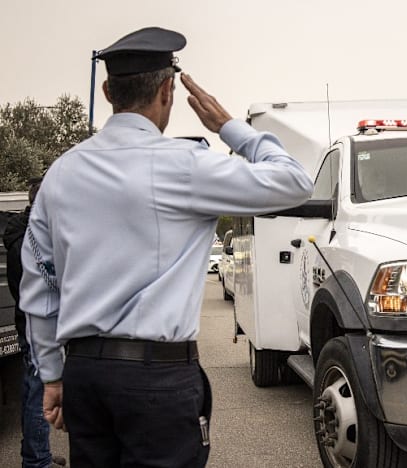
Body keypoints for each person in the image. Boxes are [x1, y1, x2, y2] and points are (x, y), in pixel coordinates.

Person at [19, 27, 314, 467]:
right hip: (156, 377)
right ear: (167, 91)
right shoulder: (186, 166)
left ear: (107, 91)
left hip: (85, 376)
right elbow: (295, 182)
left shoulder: (62, 173)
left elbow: (40, 285)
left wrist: (53, 375)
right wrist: (230, 127)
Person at [2, 178, 66, 468]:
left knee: (31, 390)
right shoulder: (33, 237)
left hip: (26, 318)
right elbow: (43, 284)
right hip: (36, 323)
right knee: (39, 393)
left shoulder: (19, 232)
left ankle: (36, 452)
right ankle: (37, 460)